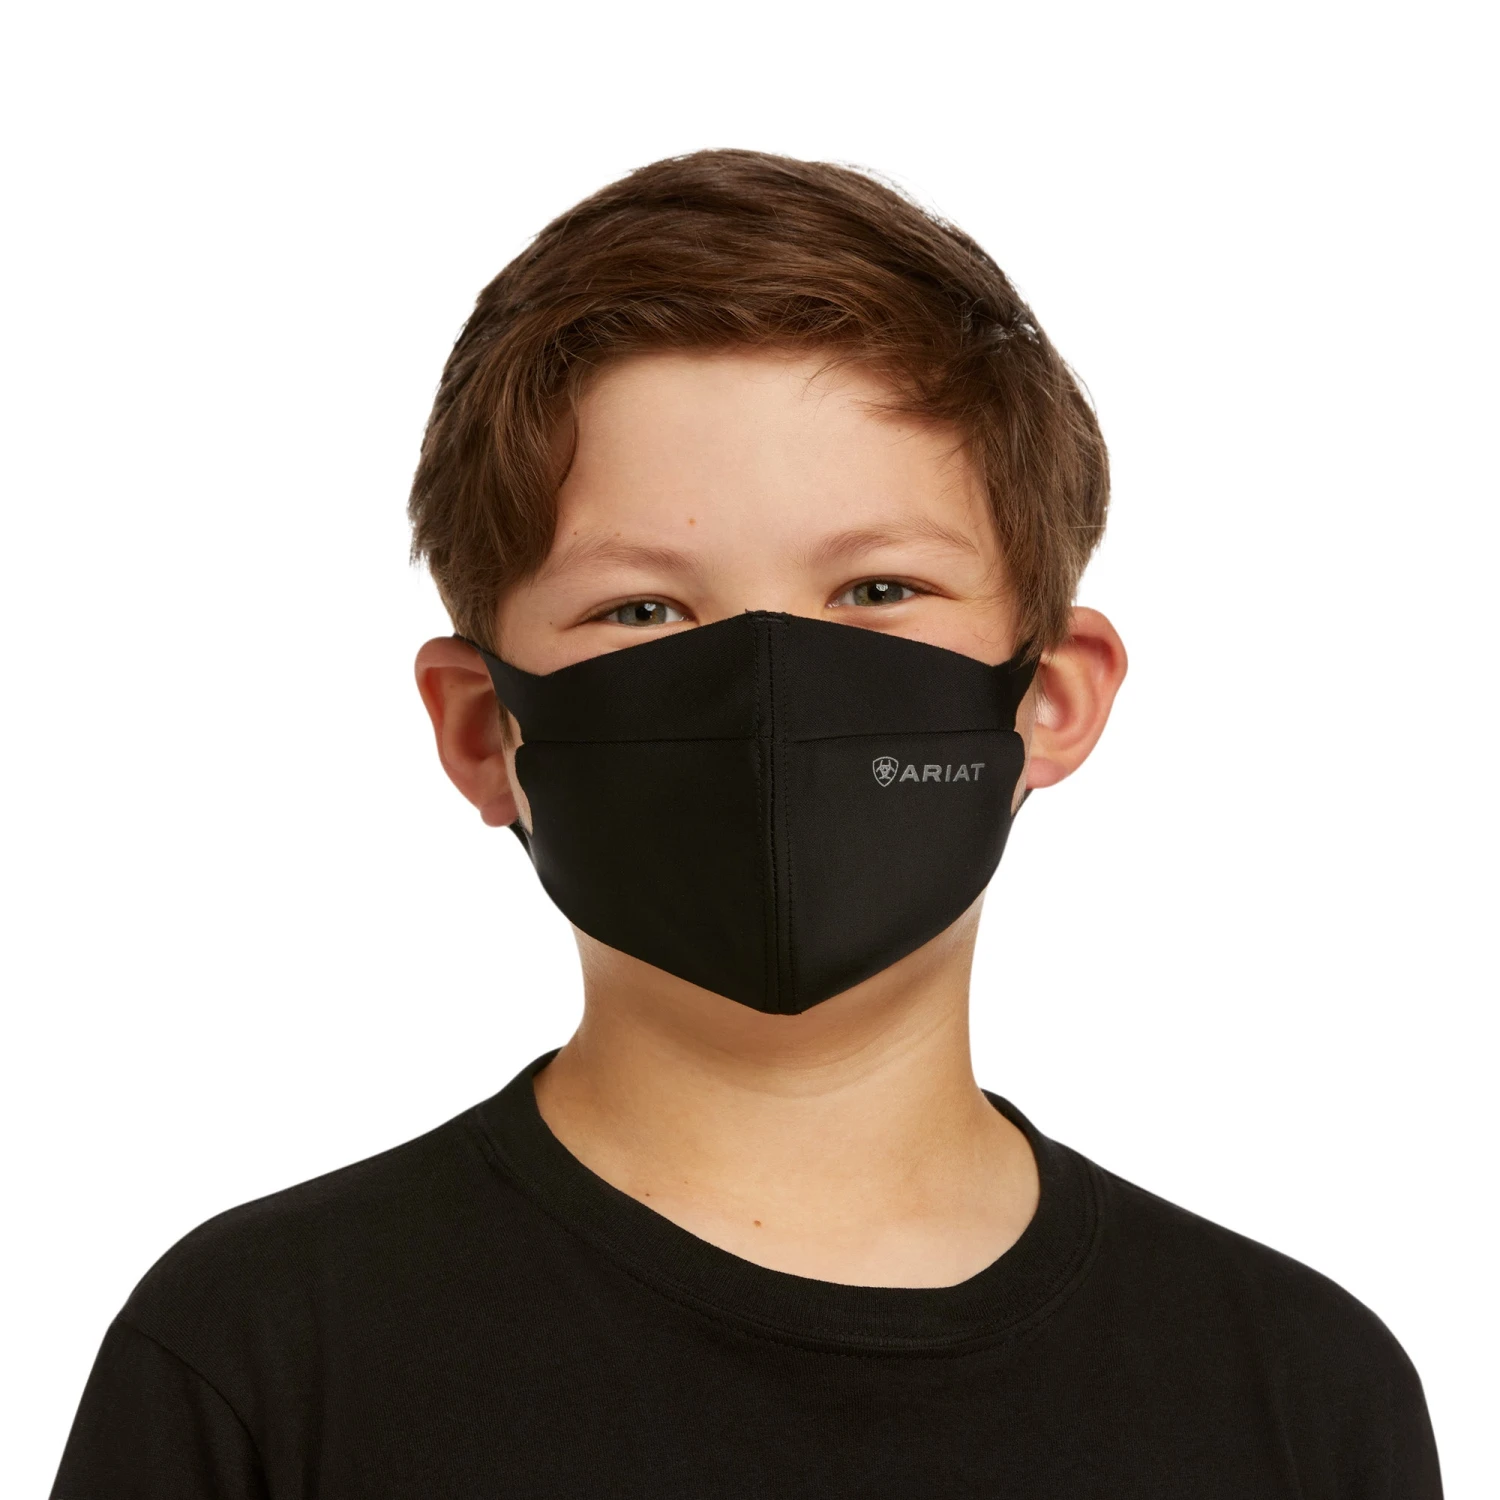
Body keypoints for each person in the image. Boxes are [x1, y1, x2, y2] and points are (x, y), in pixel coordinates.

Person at [50, 148, 1442, 1498]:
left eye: (879, 591)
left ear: (1053, 700)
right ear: (484, 732)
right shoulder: (264, 1360)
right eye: (643, 610)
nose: (770, 684)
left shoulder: (1298, 1392)